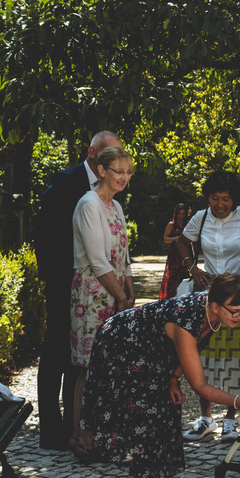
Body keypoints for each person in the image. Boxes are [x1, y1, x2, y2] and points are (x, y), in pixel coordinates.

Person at [79, 274, 240, 478]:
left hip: (150, 347)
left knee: (167, 405)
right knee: (148, 412)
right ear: (216, 306)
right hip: (122, 343)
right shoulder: (186, 319)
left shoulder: (211, 311)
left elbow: (195, 345)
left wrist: (173, 378)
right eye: (236, 311)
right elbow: (199, 385)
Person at [34, 129, 122, 450]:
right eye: (110, 155)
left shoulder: (109, 188)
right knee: (56, 351)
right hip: (64, 284)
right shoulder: (65, 183)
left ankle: (75, 427)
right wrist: (57, 282)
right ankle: (50, 430)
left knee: (79, 358)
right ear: (92, 154)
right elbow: (44, 236)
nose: (116, 164)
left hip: (92, 288)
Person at [178, 171, 240, 442]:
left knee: (239, 357)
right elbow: (182, 241)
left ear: (234, 199)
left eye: (226, 199)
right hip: (210, 296)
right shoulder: (200, 218)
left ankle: (229, 419)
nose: (220, 204)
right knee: (207, 355)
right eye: (215, 198)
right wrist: (193, 268)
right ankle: (205, 419)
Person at [69, 145, 136, 460]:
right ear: (101, 171)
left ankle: (106, 436)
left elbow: (123, 255)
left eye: (128, 172)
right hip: (93, 294)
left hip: (116, 292)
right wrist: (120, 295)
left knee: (110, 367)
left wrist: (130, 287)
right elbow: (97, 260)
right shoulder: (89, 204)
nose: (124, 177)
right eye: (118, 171)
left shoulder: (116, 207)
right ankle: (81, 437)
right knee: (88, 366)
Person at [158, 203, 191, 301]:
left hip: (186, 252)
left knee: (185, 275)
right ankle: (170, 298)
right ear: (176, 214)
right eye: (179, 213)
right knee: (172, 276)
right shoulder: (171, 225)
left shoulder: (188, 224)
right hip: (174, 253)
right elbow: (165, 238)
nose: (181, 216)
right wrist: (175, 238)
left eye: (183, 214)